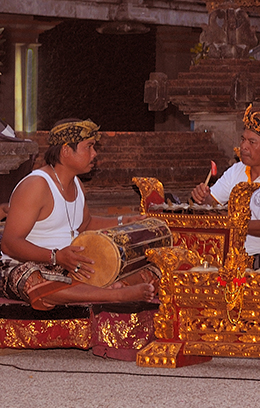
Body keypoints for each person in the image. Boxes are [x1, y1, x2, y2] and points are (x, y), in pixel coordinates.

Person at [0, 119, 155, 309]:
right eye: (88, 147)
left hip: (68, 265)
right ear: (66, 151)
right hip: (29, 263)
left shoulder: (77, 185)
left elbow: (85, 225)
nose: (94, 154)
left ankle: (103, 288)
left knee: (151, 265)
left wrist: (124, 221)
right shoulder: (36, 185)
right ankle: (114, 294)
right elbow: (9, 243)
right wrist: (55, 257)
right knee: (33, 280)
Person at [191, 105, 260, 266]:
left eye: (252, 142)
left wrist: (232, 222)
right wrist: (203, 197)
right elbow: (213, 203)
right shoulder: (237, 170)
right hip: (227, 251)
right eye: (243, 140)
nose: (243, 147)